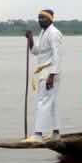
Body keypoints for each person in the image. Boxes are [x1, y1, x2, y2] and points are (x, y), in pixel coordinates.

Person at [24, 9, 63, 143]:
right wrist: (30, 39)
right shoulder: (43, 32)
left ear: (51, 19)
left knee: (43, 102)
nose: (40, 20)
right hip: (44, 72)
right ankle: (56, 133)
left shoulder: (54, 33)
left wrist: (52, 75)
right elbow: (36, 51)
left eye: (43, 18)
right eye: (39, 18)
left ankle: (38, 134)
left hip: (50, 73)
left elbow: (57, 55)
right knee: (52, 103)